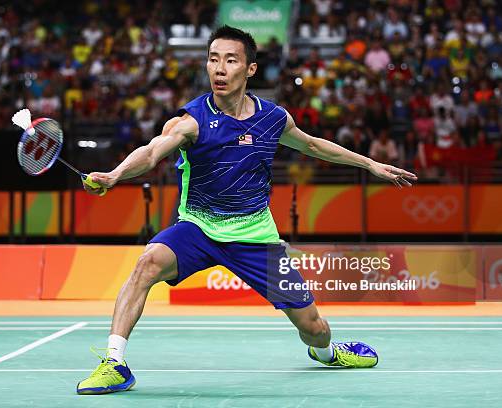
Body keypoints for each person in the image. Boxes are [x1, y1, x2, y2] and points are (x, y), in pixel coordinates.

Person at [76, 26, 417, 395]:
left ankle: (328, 353)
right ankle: (115, 362)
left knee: (314, 326)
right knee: (147, 263)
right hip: (199, 229)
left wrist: (370, 165)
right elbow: (153, 150)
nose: (219, 69)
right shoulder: (190, 121)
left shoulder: (272, 119)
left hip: (256, 238)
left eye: (230, 60)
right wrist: (115, 174)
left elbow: (314, 145)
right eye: (213, 59)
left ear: (250, 70)